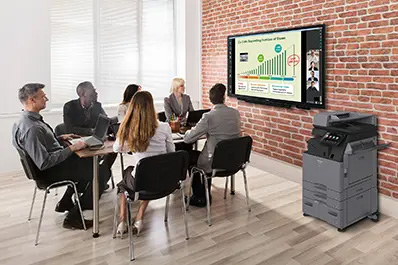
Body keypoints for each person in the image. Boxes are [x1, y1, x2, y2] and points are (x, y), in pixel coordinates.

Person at [12, 83, 110, 229]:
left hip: (50, 168)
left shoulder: (26, 121)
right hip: (49, 173)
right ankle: (74, 216)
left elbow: (41, 146)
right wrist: (72, 148)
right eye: (42, 96)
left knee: (89, 166)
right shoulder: (32, 128)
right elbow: (44, 162)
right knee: (100, 173)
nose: (46, 99)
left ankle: (65, 201)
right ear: (32, 100)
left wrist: (59, 138)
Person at [113, 91, 175, 236]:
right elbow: (171, 152)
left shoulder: (128, 129)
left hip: (143, 181)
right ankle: (139, 217)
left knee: (125, 181)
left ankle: (122, 221)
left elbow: (117, 148)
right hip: (164, 181)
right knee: (148, 174)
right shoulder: (165, 127)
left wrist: (132, 145)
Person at [183, 83, 241, 207]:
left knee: (187, 155)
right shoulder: (235, 113)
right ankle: (205, 193)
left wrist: (188, 130)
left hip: (215, 162)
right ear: (224, 97)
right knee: (203, 155)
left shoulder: (209, 116)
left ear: (210, 99)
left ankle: (199, 196)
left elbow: (188, 139)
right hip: (233, 160)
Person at [63, 81, 117, 187]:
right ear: (82, 93)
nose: (96, 93)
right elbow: (69, 128)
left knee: (114, 150)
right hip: (78, 141)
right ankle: (95, 181)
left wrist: (113, 124)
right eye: (93, 90)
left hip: (95, 139)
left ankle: (99, 179)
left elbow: (105, 121)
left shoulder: (97, 105)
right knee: (88, 160)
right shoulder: (70, 106)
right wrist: (91, 131)